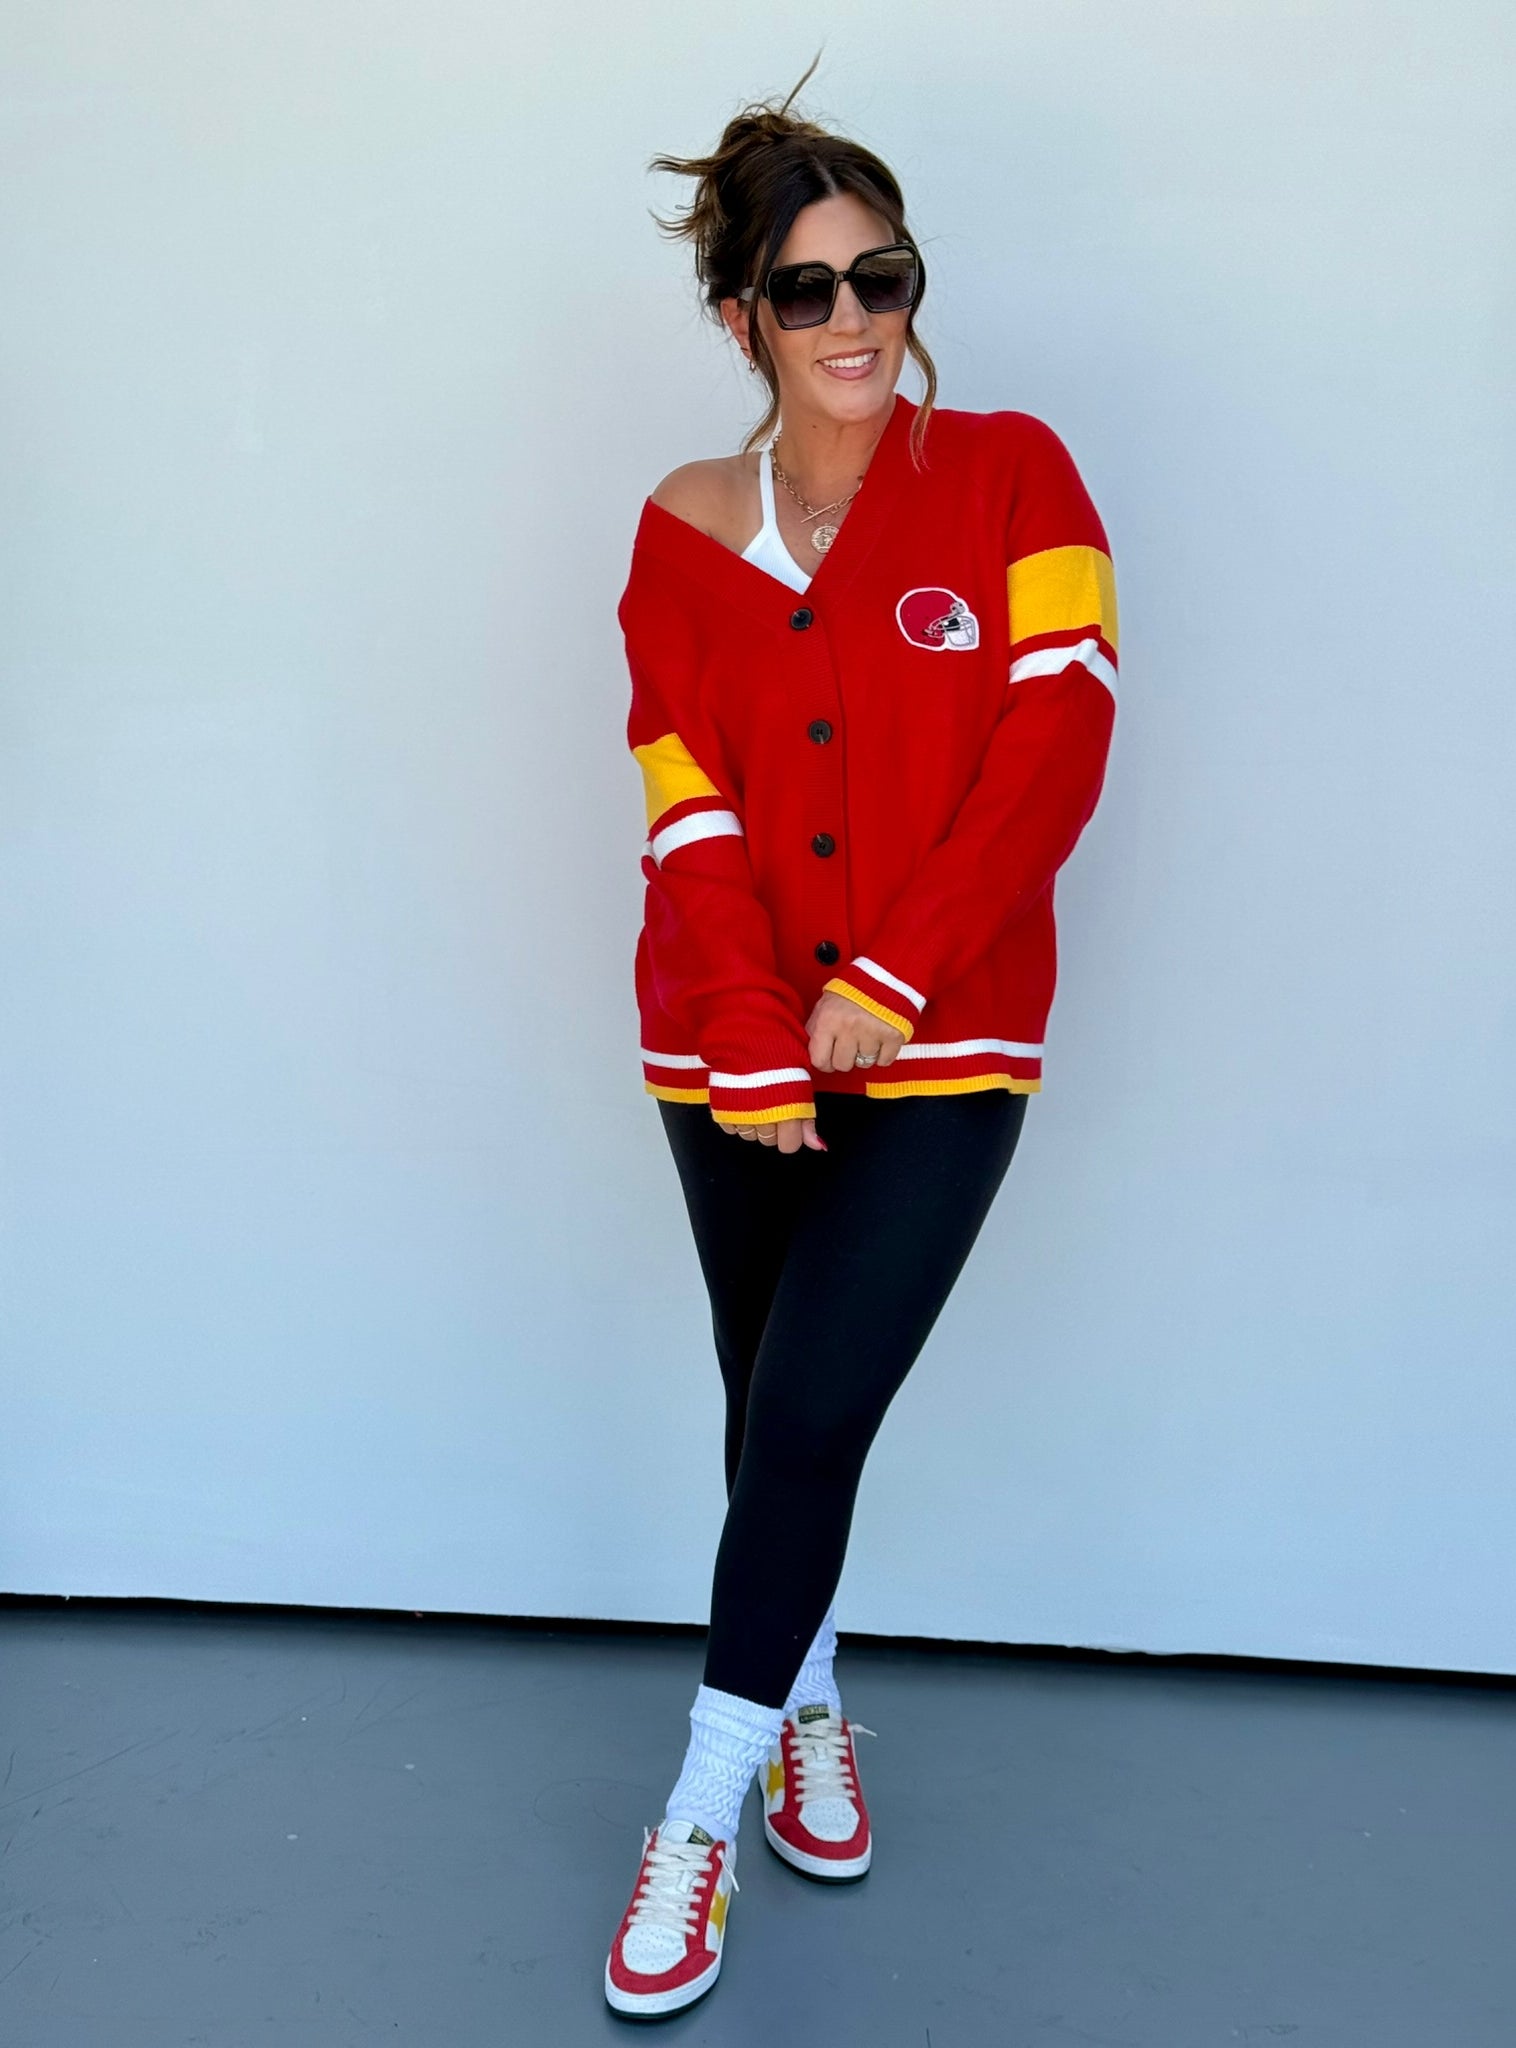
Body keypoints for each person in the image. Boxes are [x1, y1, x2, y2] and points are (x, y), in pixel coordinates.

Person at [603, 59, 1121, 2021]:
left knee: (815, 1408)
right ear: (741, 313)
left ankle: (696, 1812)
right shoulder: (679, 527)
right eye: (806, 288)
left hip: (947, 1039)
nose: (853, 319)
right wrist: (750, 1031)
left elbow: (1051, 745)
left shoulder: (1012, 475)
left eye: (880, 277)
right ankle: (804, 1701)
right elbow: (687, 808)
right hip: (720, 1052)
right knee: (767, 1417)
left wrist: (887, 978)